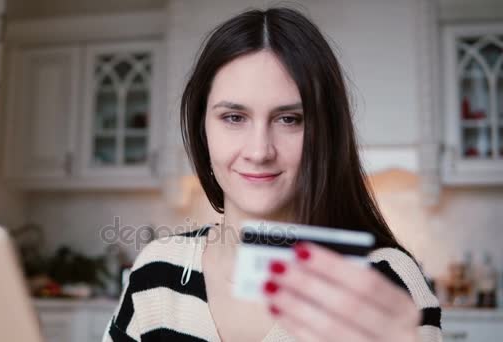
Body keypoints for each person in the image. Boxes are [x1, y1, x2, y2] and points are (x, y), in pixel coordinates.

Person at [102, 6, 442, 342]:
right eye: (234, 117)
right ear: (202, 129)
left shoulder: (386, 282)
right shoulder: (156, 270)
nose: (259, 151)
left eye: (289, 119)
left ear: (325, 132)